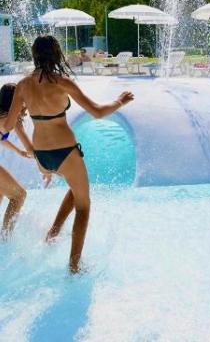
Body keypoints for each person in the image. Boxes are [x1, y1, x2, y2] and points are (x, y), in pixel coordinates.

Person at [0, 35, 134, 273]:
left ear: (34, 55)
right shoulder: (63, 82)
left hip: (42, 155)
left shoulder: (22, 86)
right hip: (65, 152)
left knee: (74, 189)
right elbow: (98, 112)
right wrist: (119, 102)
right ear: (56, 54)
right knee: (83, 205)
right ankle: (74, 266)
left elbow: (8, 126)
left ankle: (53, 233)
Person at [0, 83, 33, 238]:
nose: (25, 102)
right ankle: (5, 242)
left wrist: (18, 151)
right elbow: (32, 148)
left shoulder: (2, 115)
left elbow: (1, 138)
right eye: (22, 98)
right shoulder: (11, 119)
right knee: (19, 196)